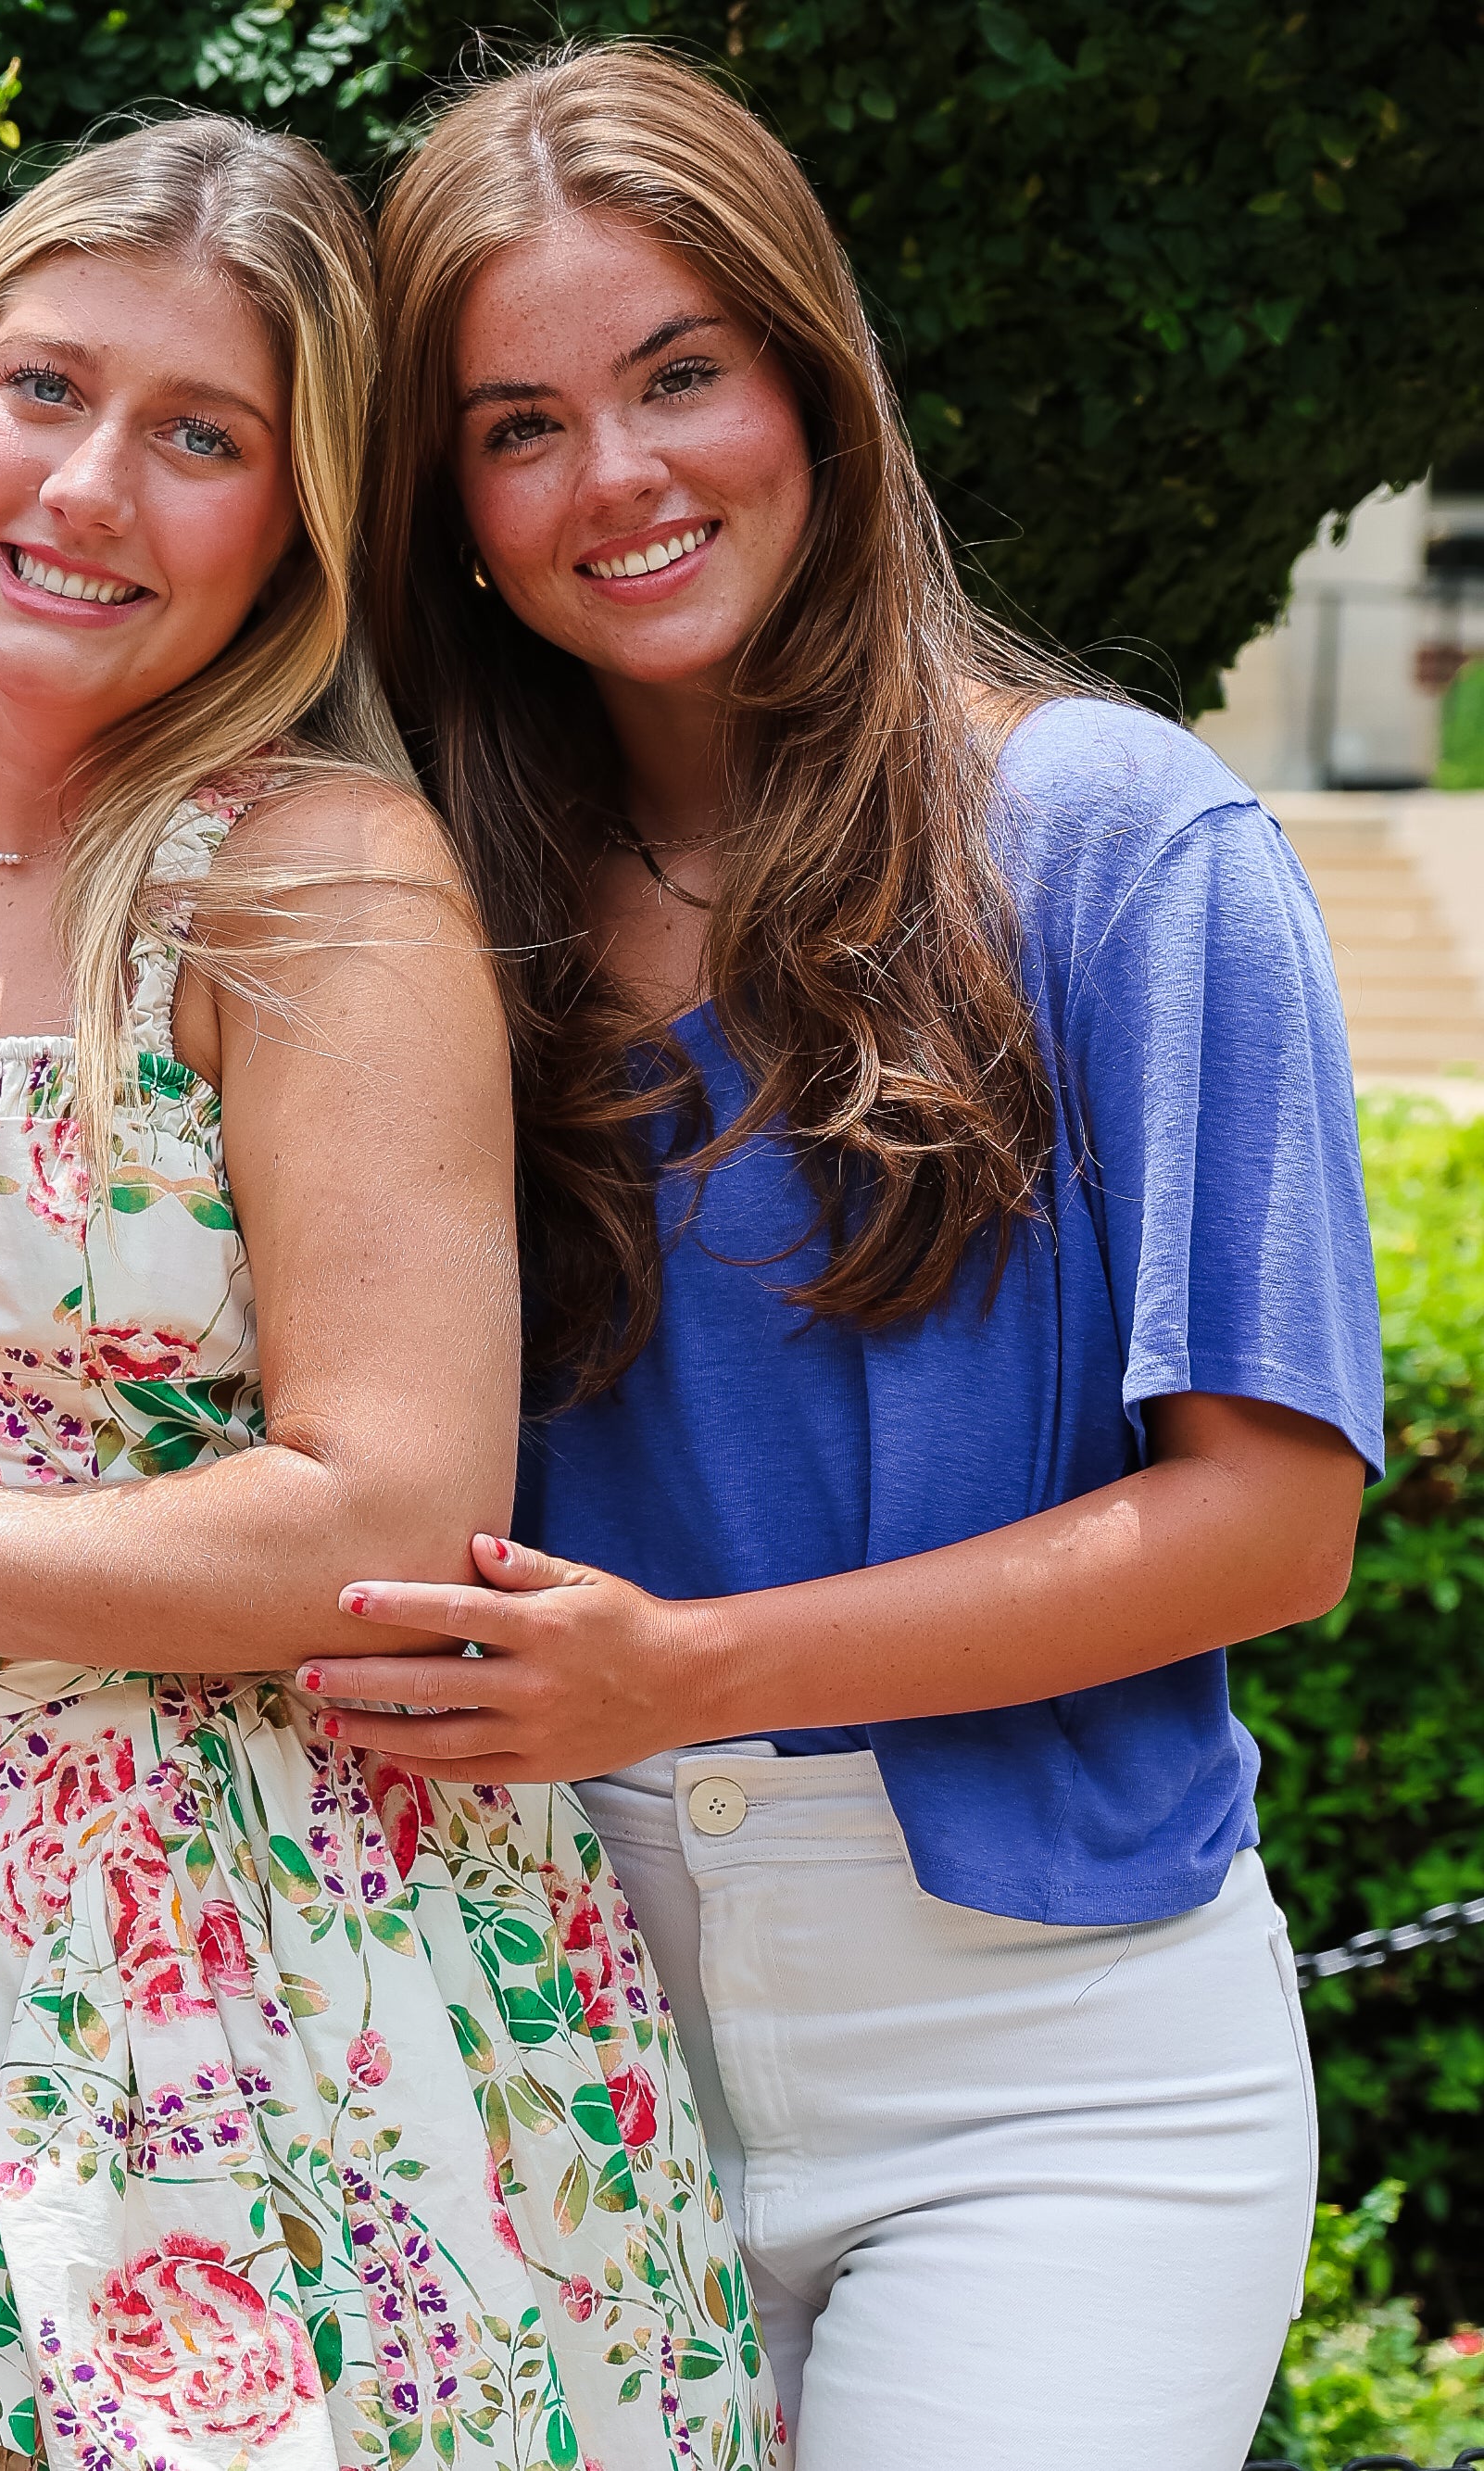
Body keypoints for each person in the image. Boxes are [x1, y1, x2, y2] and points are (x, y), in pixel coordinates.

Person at [0, 115, 779, 2471]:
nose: (91, 489)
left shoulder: (310, 882)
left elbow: (377, 1510)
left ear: (295, 521)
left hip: (285, 1995)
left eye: (199, 436)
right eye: (43, 391)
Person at [318, 45, 1376, 2466]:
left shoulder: (1122, 843)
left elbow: (1273, 1517)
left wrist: (676, 1674)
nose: (623, 475)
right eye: (520, 423)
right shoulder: (418, 922)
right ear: (451, 508)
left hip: (1052, 2075)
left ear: (814, 378)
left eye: (681, 372)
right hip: (538, 2035)